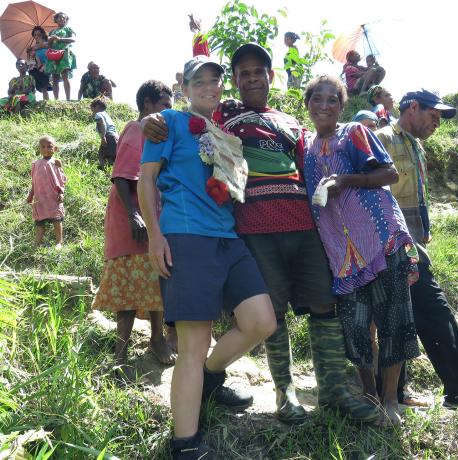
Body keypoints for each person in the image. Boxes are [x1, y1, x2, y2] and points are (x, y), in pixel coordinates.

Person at [141, 44, 380, 425]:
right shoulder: (225, 114)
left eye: (259, 72)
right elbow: (188, 110)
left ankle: (334, 390)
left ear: (271, 77)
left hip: (303, 225)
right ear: (234, 82)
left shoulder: (290, 123)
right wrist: (150, 119)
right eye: (243, 73)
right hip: (254, 228)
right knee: (274, 311)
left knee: (323, 303)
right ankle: (285, 393)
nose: (252, 78)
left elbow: (312, 161)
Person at [138, 55, 277, 459]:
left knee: (260, 320)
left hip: (228, 238)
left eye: (216, 80)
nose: (209, 86)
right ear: (184, 85)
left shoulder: (225, 131)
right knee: (193, 345)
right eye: (200, 80)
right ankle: (184, 445)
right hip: (186, 236)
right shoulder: (168, 122)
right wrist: (154, 236)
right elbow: (146, 180)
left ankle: (212, 378)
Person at [303, 75, 421, 425]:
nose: (324, 105)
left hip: (381, 239)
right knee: (355, 327)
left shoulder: (354, 132)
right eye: (317, 99)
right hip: (341, 251)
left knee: (393, 319)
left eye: (332, 100)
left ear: (341, 106)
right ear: (307, 103)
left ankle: (389, 399)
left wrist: (348, 180)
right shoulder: (305, 146)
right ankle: (368, 394)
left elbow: (388, 174)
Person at [376, 89, 458, 410]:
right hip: (393, 245)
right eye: (433, 115)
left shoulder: (416, 145)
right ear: (412, 108)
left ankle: (399, 392)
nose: (437, 123)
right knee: (434, 311)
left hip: (412, 245)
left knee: (407, 316)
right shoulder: (383, 138)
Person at [92, 80, 177, 373]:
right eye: (165, 104)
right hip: (131, 218)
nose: (169, 109)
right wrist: (134, 215)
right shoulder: (135, 128)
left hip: (154, 218)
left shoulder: (162, 137)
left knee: (156, 278)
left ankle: (156, 339)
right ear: (147, 105)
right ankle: (121, 351)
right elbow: (121, 176)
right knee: (128, 284)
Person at [26, 136, 67, 248]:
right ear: (39, 149)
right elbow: (34, 182)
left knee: (57, 220)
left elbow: (61, 179)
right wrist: (30, 195)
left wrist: (61, 192)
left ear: (55, 148)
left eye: (49, 146)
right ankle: (37, 243)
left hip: (53, 197)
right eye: (43, 147)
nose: (46, 149)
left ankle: (59, 242)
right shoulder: (35, 164)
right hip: (40, 199)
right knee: (39, 223)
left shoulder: (56, 162)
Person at [45, 12, 76, 101]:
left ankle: (68, 99)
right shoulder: (52, 32)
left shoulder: (68, 29)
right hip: (54, 54)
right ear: (56, 19)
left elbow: (73, 39)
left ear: (66, 20)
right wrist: (50, 40)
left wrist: (59, 39)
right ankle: (56, 99)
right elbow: (48, 45)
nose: (62, 19)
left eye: (64, 18)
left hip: (64, 53)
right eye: (60, 17)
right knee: (55, 78)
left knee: (65, 75)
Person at [90, 97, 119, 168]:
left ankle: (105, 174)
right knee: (112, 159)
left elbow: (102, 124)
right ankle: (110, 174)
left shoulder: (98, 114)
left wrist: (103, 138)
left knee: (101, 156)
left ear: (97, 106)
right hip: (116, 138)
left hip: (109, 136)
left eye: (92, 109)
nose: (92, 112)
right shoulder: (106, 114)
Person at [27, 26, 51, 101]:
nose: (37, 36)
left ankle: (46, 102)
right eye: (35, 35)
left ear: (42, 34)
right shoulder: (32, 47)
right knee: (33, 84)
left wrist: (35, 47)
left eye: (39, 34)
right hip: (36, 67)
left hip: (46, 65)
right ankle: (32, 101)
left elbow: (46, 46)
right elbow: (29, 61)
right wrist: (29, 52)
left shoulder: (48, 43)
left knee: (44, 86)